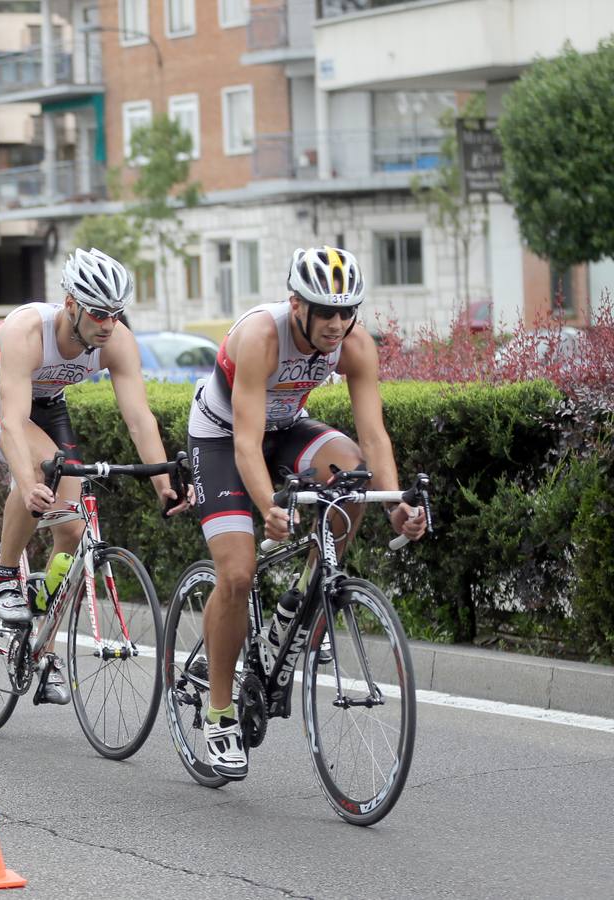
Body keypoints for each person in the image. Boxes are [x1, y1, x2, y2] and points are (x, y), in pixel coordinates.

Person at [187, 246, 429, 781]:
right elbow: (247, 444)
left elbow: (373, 434)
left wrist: (396, 505)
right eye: (326, 311)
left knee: (352, 473)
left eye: (347, 312)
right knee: (237, 572)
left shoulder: (354, 343)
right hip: (224, 437)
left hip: (286, 425)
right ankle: (219, 711)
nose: (337, 324)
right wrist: (268, 506)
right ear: (297, 304)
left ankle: (300, 607)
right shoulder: (261, 337)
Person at [0, 247, 191, 705]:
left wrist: (163, 482)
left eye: (116, 314)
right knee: (45, 467)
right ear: (71, 305)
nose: (108, 324)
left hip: (48, 403)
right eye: (99, 313)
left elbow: (139, 418)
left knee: (71, 530)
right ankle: (5, 573)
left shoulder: (116, 340)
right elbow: (12, 423)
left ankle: (43, 651)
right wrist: (27, 483)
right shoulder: (27, 330)